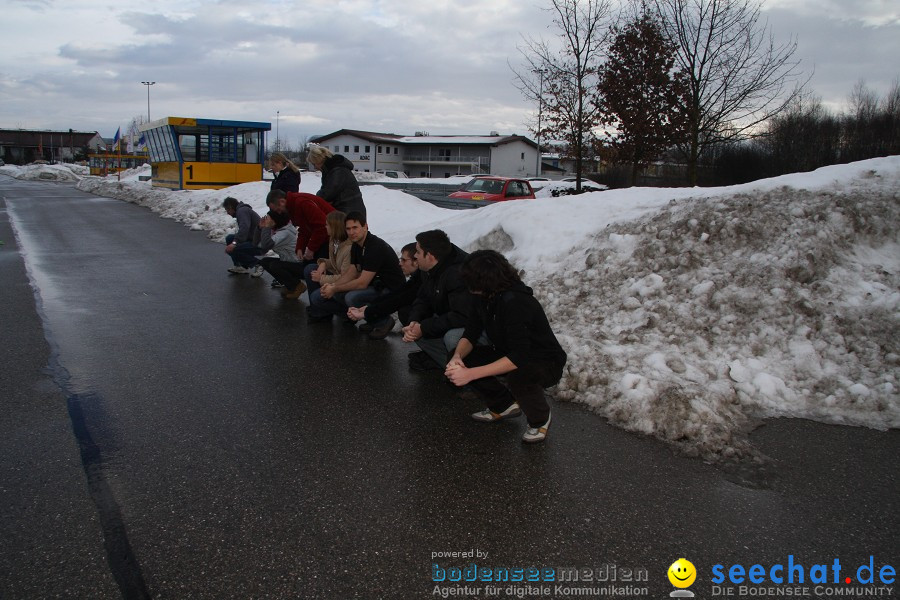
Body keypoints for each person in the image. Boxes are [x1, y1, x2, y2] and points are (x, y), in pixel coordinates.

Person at [445, 250, 567, 444]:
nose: (467, 286)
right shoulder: (482, 297)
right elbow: (471, 333)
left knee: (519, 376)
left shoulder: (516, 302)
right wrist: (457, 358)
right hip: (510, 352)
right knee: (463, 356)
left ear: (484, 280)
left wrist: (470, 374)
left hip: (544, 361)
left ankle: (539, 420)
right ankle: (502, 405)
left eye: (470, 281)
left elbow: (520, 356)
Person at [306, 211, 405, 324]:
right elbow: (351, 273)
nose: (351, 232)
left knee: (351, 297)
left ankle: (384, 321)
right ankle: (362, 317)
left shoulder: (374, 247)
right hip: (377, 284)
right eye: (348, 229)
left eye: (355, 227)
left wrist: (334, 289)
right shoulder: (356, 244)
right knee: (324, 296)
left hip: (391, 290)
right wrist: (333, 286)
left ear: (365, 227)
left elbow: (362, 283)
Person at [402, 230, 473, 371]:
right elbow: (423, 298)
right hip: (450, 314)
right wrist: (415, 321)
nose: (415, 256)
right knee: (412, 324)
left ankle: (471, 376)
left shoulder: (458, 273)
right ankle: (450, 366)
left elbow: (463, 316)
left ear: (429, 256)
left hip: (479, 325)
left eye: (417, 251)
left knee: (452, 338)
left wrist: (424, 327)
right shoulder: (429, 267)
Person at [347, 242, 421, 340]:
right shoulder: (418, 277)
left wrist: (366, 312)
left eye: (403, 260)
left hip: (439, 323)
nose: (400, 263)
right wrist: (368, 308)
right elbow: (399, 293)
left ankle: (437, 351)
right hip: (385, 289)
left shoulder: (424, 279)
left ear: (416, 261)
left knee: (406, 312)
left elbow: (399, 299)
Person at [265, 190, 334, 263]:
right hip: (326, 236)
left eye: (278, 210)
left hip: (334, 235)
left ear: (282, 202)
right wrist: (300, 248)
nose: (279, 213)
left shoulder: (302, 203)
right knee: (308, 263)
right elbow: (304, 228)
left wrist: (311, 249)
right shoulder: (292, 207)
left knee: (314, 265)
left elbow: (322, 227)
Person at [304, 210, 353, 302]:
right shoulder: (333, 240)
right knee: (310, 269)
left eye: (327, 225)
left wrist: (321, 278)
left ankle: (323, 308)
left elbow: (346, 277)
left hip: (344, 282)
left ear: (334, 227)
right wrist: (323, 263)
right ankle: (317, 309)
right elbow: (335, 262)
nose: (325, 227)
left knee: (316, 296)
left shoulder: (349, 248)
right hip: (337, 274)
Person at [256, 210, 306, 298]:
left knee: (275, 266)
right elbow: (258, 245)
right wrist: (259, 228)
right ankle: (290, 285)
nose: (266, 220)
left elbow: (266, 245)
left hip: (300, 265)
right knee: (265, 262)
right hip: (289, 262)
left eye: (268, 218)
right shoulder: (277, 231)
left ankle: (297, 286)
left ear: (275, 220)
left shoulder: (285, 232)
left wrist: (266, 228)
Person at [307, 144, 367, 216]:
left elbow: (328, 193)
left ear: (319, 160)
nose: (315, 167)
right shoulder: (333, 169)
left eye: (314, 164)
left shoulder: (338, 170)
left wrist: (316, 199)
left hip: (349, 213)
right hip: (350, 210)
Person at [222, 196, 262, 275]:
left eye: (227, 210)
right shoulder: (241, 210)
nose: (227, 213)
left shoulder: (242, 211)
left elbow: (244, 229)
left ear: (230, 207)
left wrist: (234, 243)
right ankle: (240, 266)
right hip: (253, 239)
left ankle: (258, 264)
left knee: (234, 249)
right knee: (229, 238)